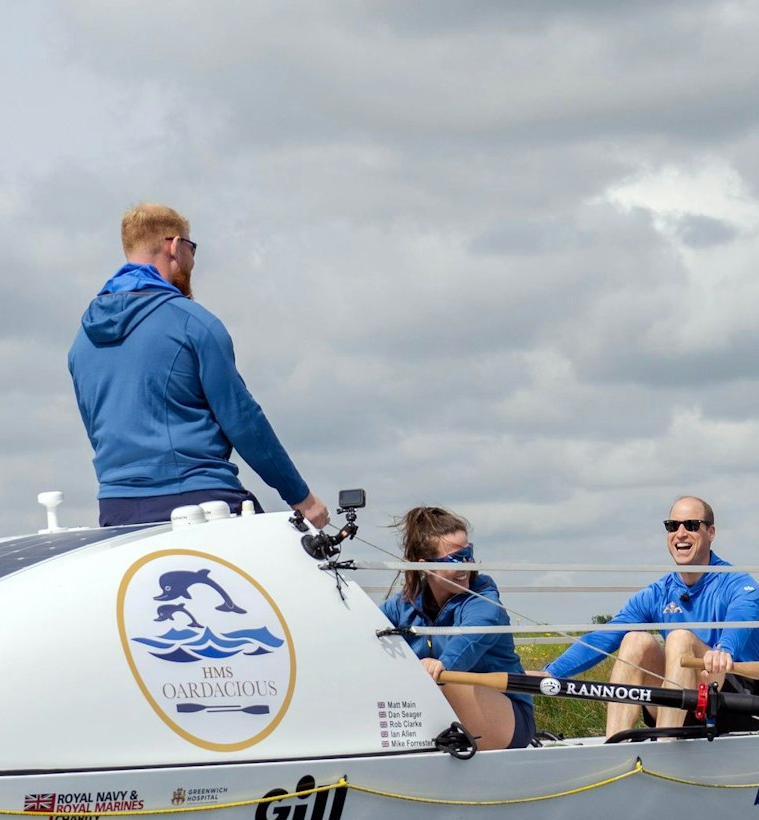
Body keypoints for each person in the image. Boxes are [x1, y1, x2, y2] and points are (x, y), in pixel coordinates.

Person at [68, 202, 330, 529]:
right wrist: (301, 497)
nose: (192, 260)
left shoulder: (82, 341)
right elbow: (243, 420)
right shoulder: (194, 324)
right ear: (175, 246)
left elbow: (97, 430)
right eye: (191, 248)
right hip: (200, 500)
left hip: (116, 511)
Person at [540, 496, 759, 737]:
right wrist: (551, 673)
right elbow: (604, 637)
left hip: (736, 703)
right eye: (672, 526)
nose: (680, 534)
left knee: (680, 638)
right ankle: (614, 745)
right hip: (682, 702)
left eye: (691, 525)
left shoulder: (739, 584)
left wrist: (724, 650)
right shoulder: (658, 593)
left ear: (711, 532)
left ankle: (663, 745)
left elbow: (741, 621)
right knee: (635, 640)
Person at [379, 507, 535, 751]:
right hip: (439, 708)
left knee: (443, 680)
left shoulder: (484, 602)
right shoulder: (403, 605)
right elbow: (367, 629)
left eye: (468, 554)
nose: (466, 566)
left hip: (507, 715)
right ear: (425, 566)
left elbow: (469, 641)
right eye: (456, 558)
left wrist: (441, 664)